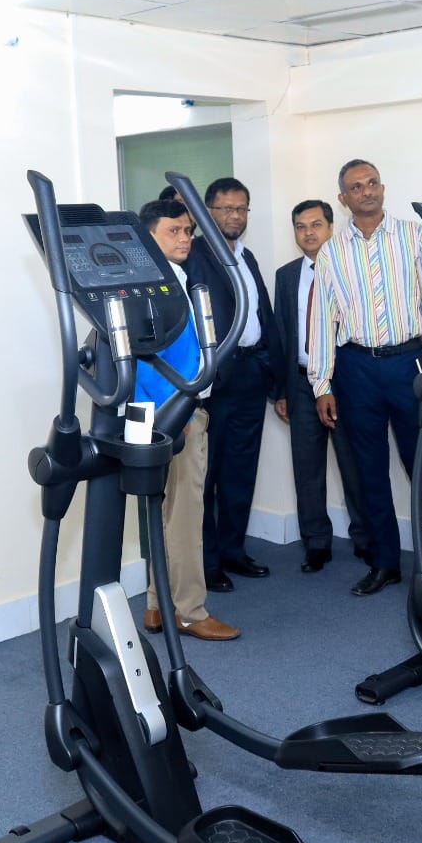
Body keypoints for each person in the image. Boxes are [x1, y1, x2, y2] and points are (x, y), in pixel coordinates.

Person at [308, 159, 422, 597]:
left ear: (382, 188)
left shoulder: (414, 236)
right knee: (368, 471)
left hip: (410, 364)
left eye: (372, 183)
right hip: (356, 370)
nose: (366, 191)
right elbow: (323, 320)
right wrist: (322, 383)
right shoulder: (331, 251)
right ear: (343, 198)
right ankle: (385, 562)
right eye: (356, 187)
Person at [134, 198, 240, 642]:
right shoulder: (158, 285)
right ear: (148, 237)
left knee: (160, 510)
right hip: (174, 412)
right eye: (173, 231)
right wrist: (176, 409)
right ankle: (191, 611)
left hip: (150, 412)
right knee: (184, 513)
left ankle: (156, 604)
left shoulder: (163, 279)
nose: (184, 239)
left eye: (188, 231)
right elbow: (144, 359)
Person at [185, 177, 276, 593]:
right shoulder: (195, 255)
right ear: (208, 212)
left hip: (251, 374)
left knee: (241, 470)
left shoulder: (247, 256)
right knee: (206, 475)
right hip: (215, 381)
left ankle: (233, 551)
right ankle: (206, 562)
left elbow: (263, 315)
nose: (235, 216)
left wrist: (273, 374)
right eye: (226, 208)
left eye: (241, 209)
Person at [272, 200, 372, 572]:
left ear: (331, 227)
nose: (308, 232)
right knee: (306, 467)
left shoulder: (351, 268)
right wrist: (281, 390)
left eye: (316, 224)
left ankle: (366, 539)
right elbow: (281, 334)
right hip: (300, 382)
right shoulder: (285, 276)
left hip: (343, 381)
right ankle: (316, 543)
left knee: (354, 464)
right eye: (300, 226)